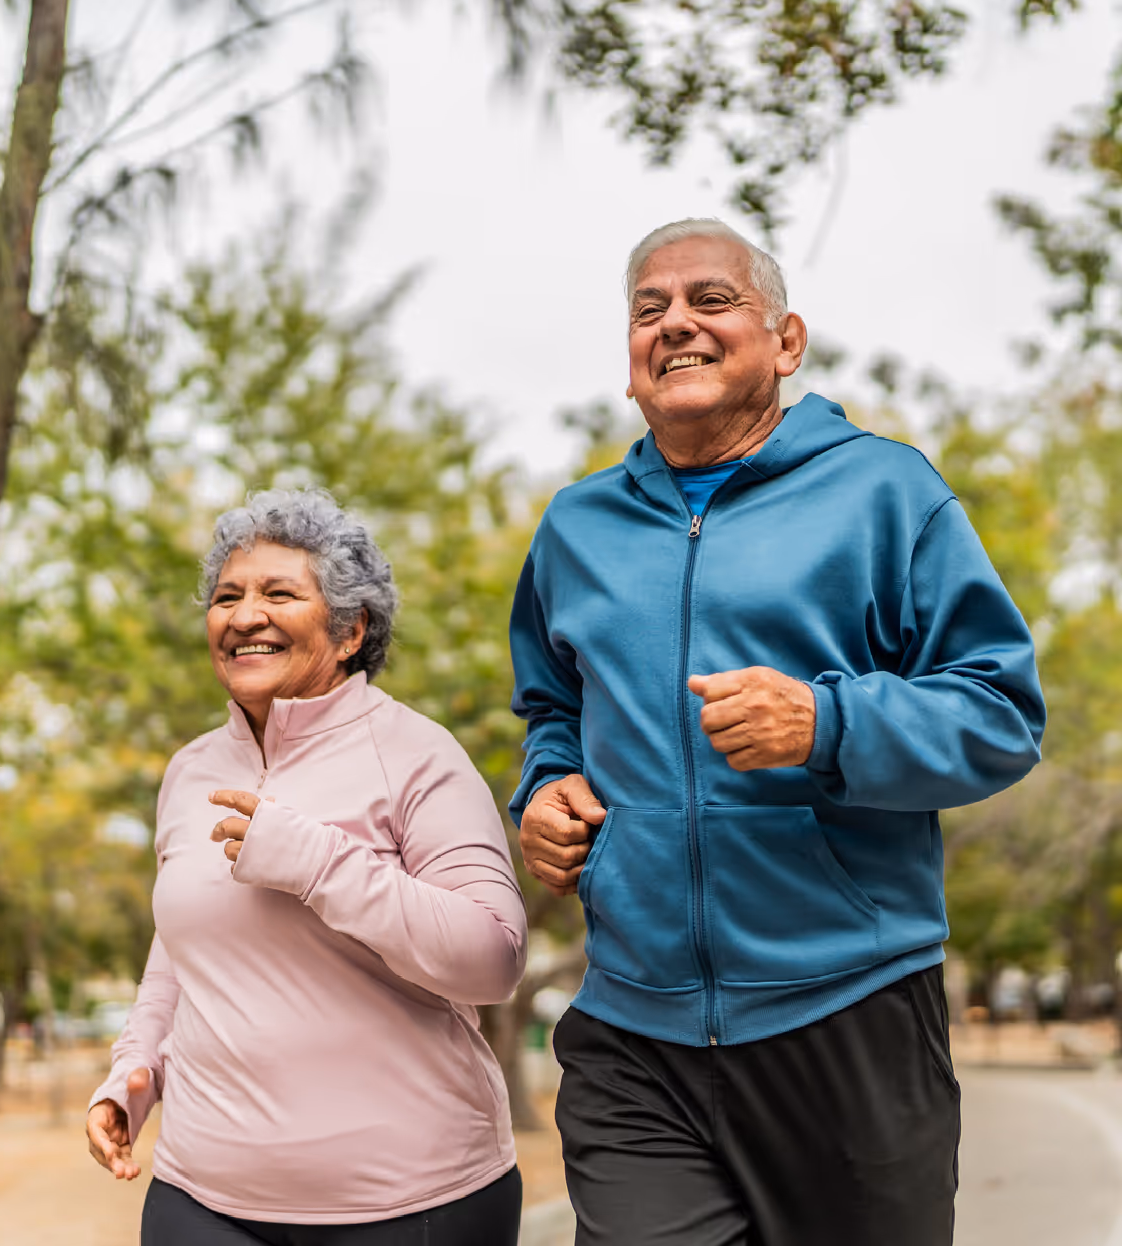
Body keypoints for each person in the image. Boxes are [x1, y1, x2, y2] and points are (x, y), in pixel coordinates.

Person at [509, 218, 1046, 1246]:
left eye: (710, 300)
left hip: (847, 1013)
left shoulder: (887, 493)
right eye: (647, 310)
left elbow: (999, 711)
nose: (676, 324)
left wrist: (828, 720)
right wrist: (544, 789)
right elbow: (553, 711)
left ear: (785, 341)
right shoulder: (576, 528)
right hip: (636, 1028)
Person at [87, 488, 527, 1245]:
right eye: (227, 596)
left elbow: (493, 957)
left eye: (278, 593)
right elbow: (180, 951)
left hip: (410, 1202)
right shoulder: (189, 769)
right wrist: (133, 1074)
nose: (243, 614)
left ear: (352, 628)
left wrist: (318, 862)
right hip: (202, 1199)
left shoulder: (417, 754)